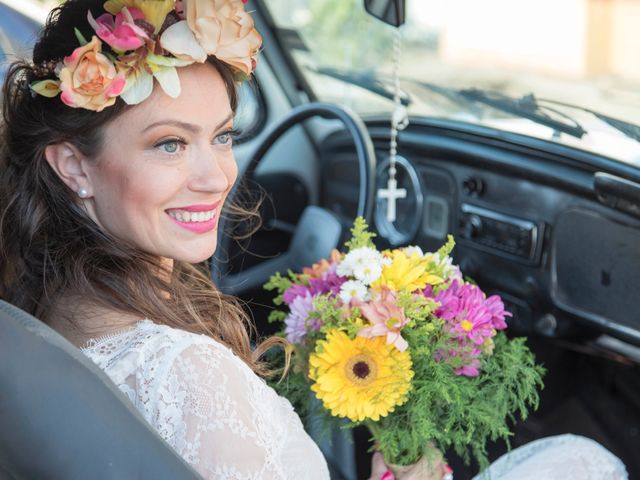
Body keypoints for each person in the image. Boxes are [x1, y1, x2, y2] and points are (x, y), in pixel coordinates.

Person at [0, 1, 630, 479]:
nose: (215, 175)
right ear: (73, 165)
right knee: (582, 459)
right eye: (169, 144)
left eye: (220, 136)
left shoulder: (45, 301)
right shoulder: (190, 375)